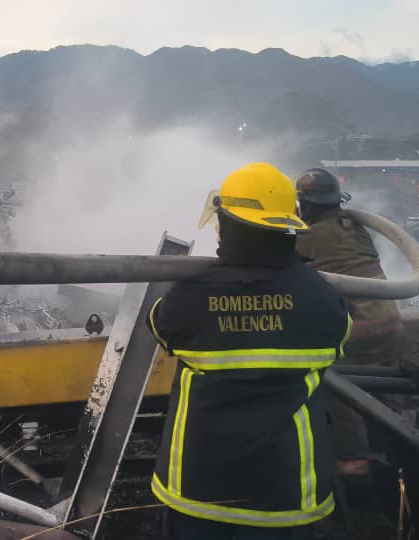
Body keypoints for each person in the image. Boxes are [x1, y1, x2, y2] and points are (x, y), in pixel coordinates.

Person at [148, 163, 353, 539]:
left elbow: (161, 326)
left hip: (199, 488)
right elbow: (340, 337)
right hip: (287, 494)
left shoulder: (191, 298)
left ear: (228, 224)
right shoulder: (323, 299)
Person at [294, 168, 403, 476]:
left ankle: (352, 462)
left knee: (339, 388)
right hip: (390, 322)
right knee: (383, 387)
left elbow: (278, 264)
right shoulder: (354, 227)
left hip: (357, 329)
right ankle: (396, 453)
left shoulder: (308, 236)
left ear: (305, 204)